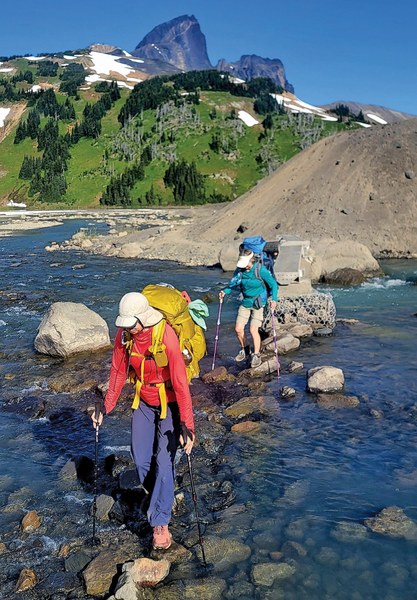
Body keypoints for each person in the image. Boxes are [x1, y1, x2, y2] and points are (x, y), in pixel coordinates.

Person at [91, 292, 194, 551]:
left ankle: (160, 523)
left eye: (130, 323)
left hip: (169, 403)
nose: (126, 328)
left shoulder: (165, 335)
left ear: (142, 320)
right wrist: (105, 406)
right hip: (144, 401)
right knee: (140, 458)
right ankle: (161, 492)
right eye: (123, 324)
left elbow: (181, 383)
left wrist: (187, 425)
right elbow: (117, 372)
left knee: (163, 460)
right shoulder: (126, 336)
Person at [219, 249, 278, 368]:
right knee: (238, 329)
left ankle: (256, 354)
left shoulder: (260, 270)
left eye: (245, 263)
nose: (244, 266)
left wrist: (274, 299)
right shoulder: (239, 271)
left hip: (258, 303)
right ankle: (245, 349)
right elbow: (232, 285)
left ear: (251, 261)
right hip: (245, 302)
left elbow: (273, 284)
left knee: (253, 329)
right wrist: (224, 292)